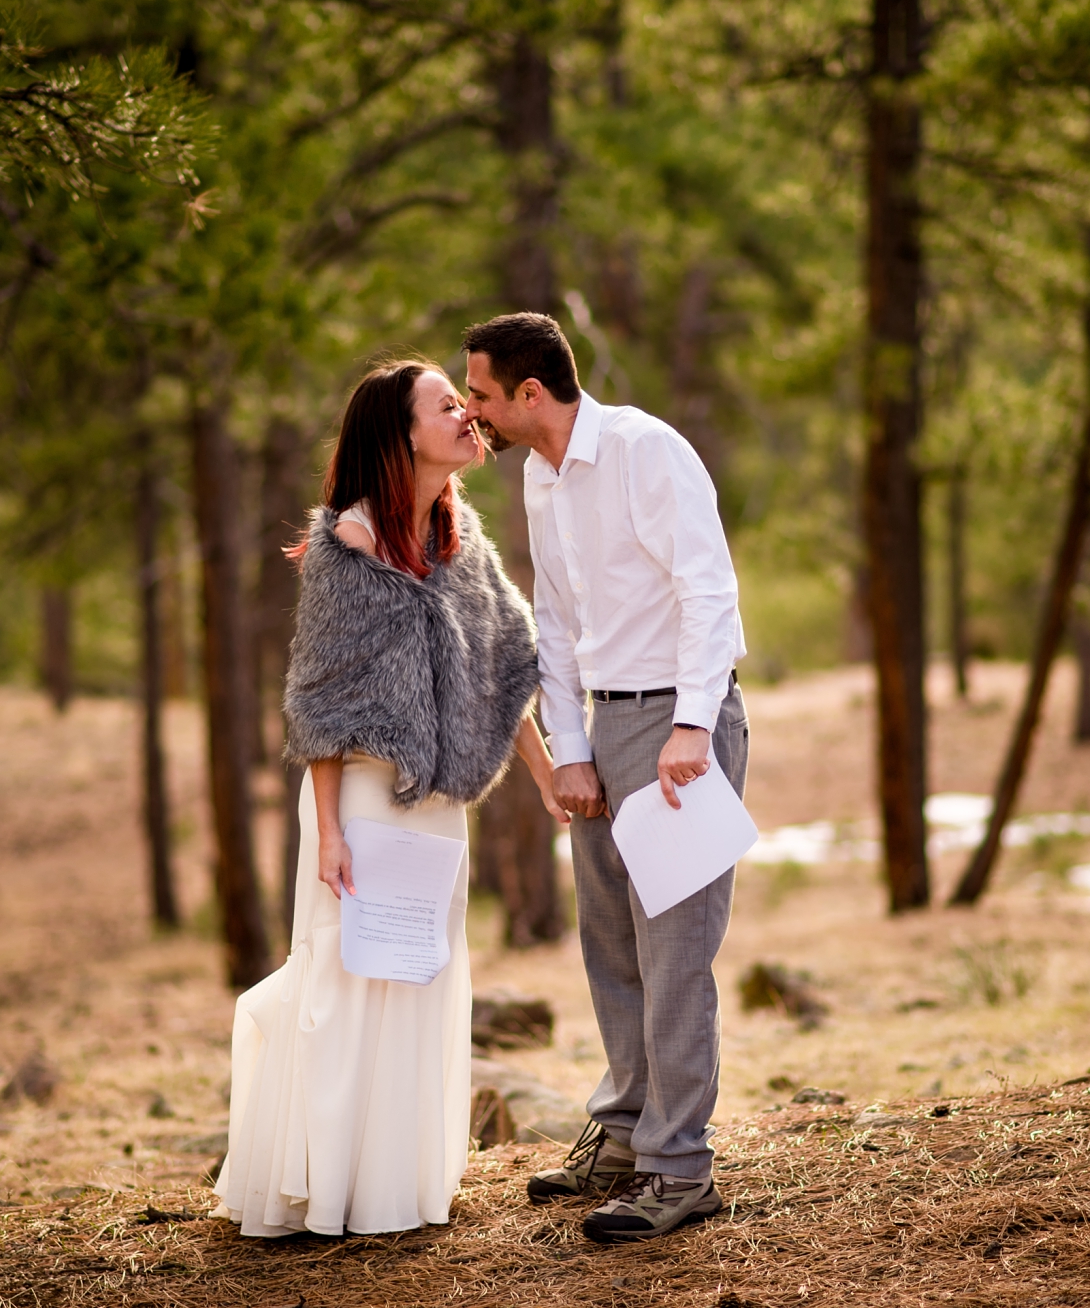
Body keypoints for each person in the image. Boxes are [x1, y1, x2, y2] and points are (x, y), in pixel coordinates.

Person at [213, 357, 564, 1238]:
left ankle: (401, 1189)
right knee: (350, 978)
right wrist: (328, 833)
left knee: (424, 979)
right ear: (402, 433)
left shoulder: (459, 536)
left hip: (438, 804)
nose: (466, 414)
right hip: (363, 801)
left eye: (465, 400)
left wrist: (548, 774)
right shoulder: (352, 542)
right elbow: (319, 704)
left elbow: (502, 669)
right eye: (448, 405)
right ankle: (327, 1190)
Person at [460, 312, 750, 1244]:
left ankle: (679, 1169)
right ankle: (625, 1134)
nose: (476, 413)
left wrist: (695, 725)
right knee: (612, 942)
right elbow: (554, 620)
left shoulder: (643, 450)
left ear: (531, 393)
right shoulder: (544, 478)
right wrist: (570, 744)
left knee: (674, 954)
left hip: (677, 725)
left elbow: (708, 588)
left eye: (483, 395)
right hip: (604, 723)